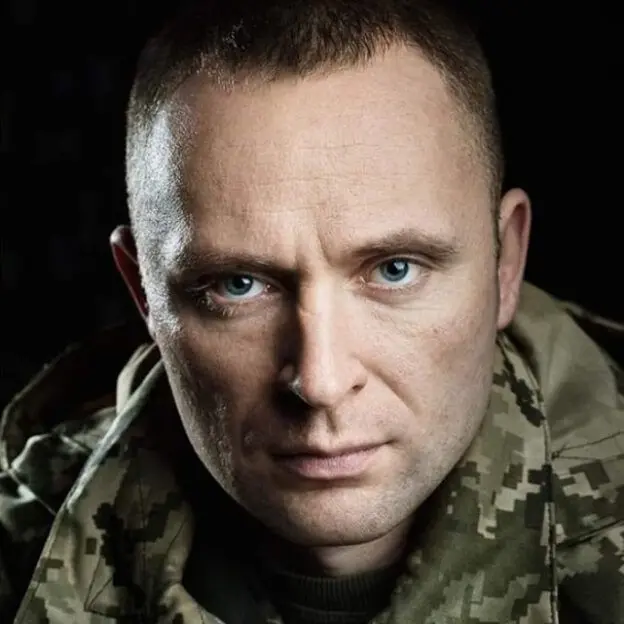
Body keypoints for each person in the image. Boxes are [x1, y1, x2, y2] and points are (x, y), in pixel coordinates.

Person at [1, 1, 622, 622]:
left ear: (504, 264)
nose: (320, 382)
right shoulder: (19, 556)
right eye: (239, 285)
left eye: (395, 270)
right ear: (144, 293)